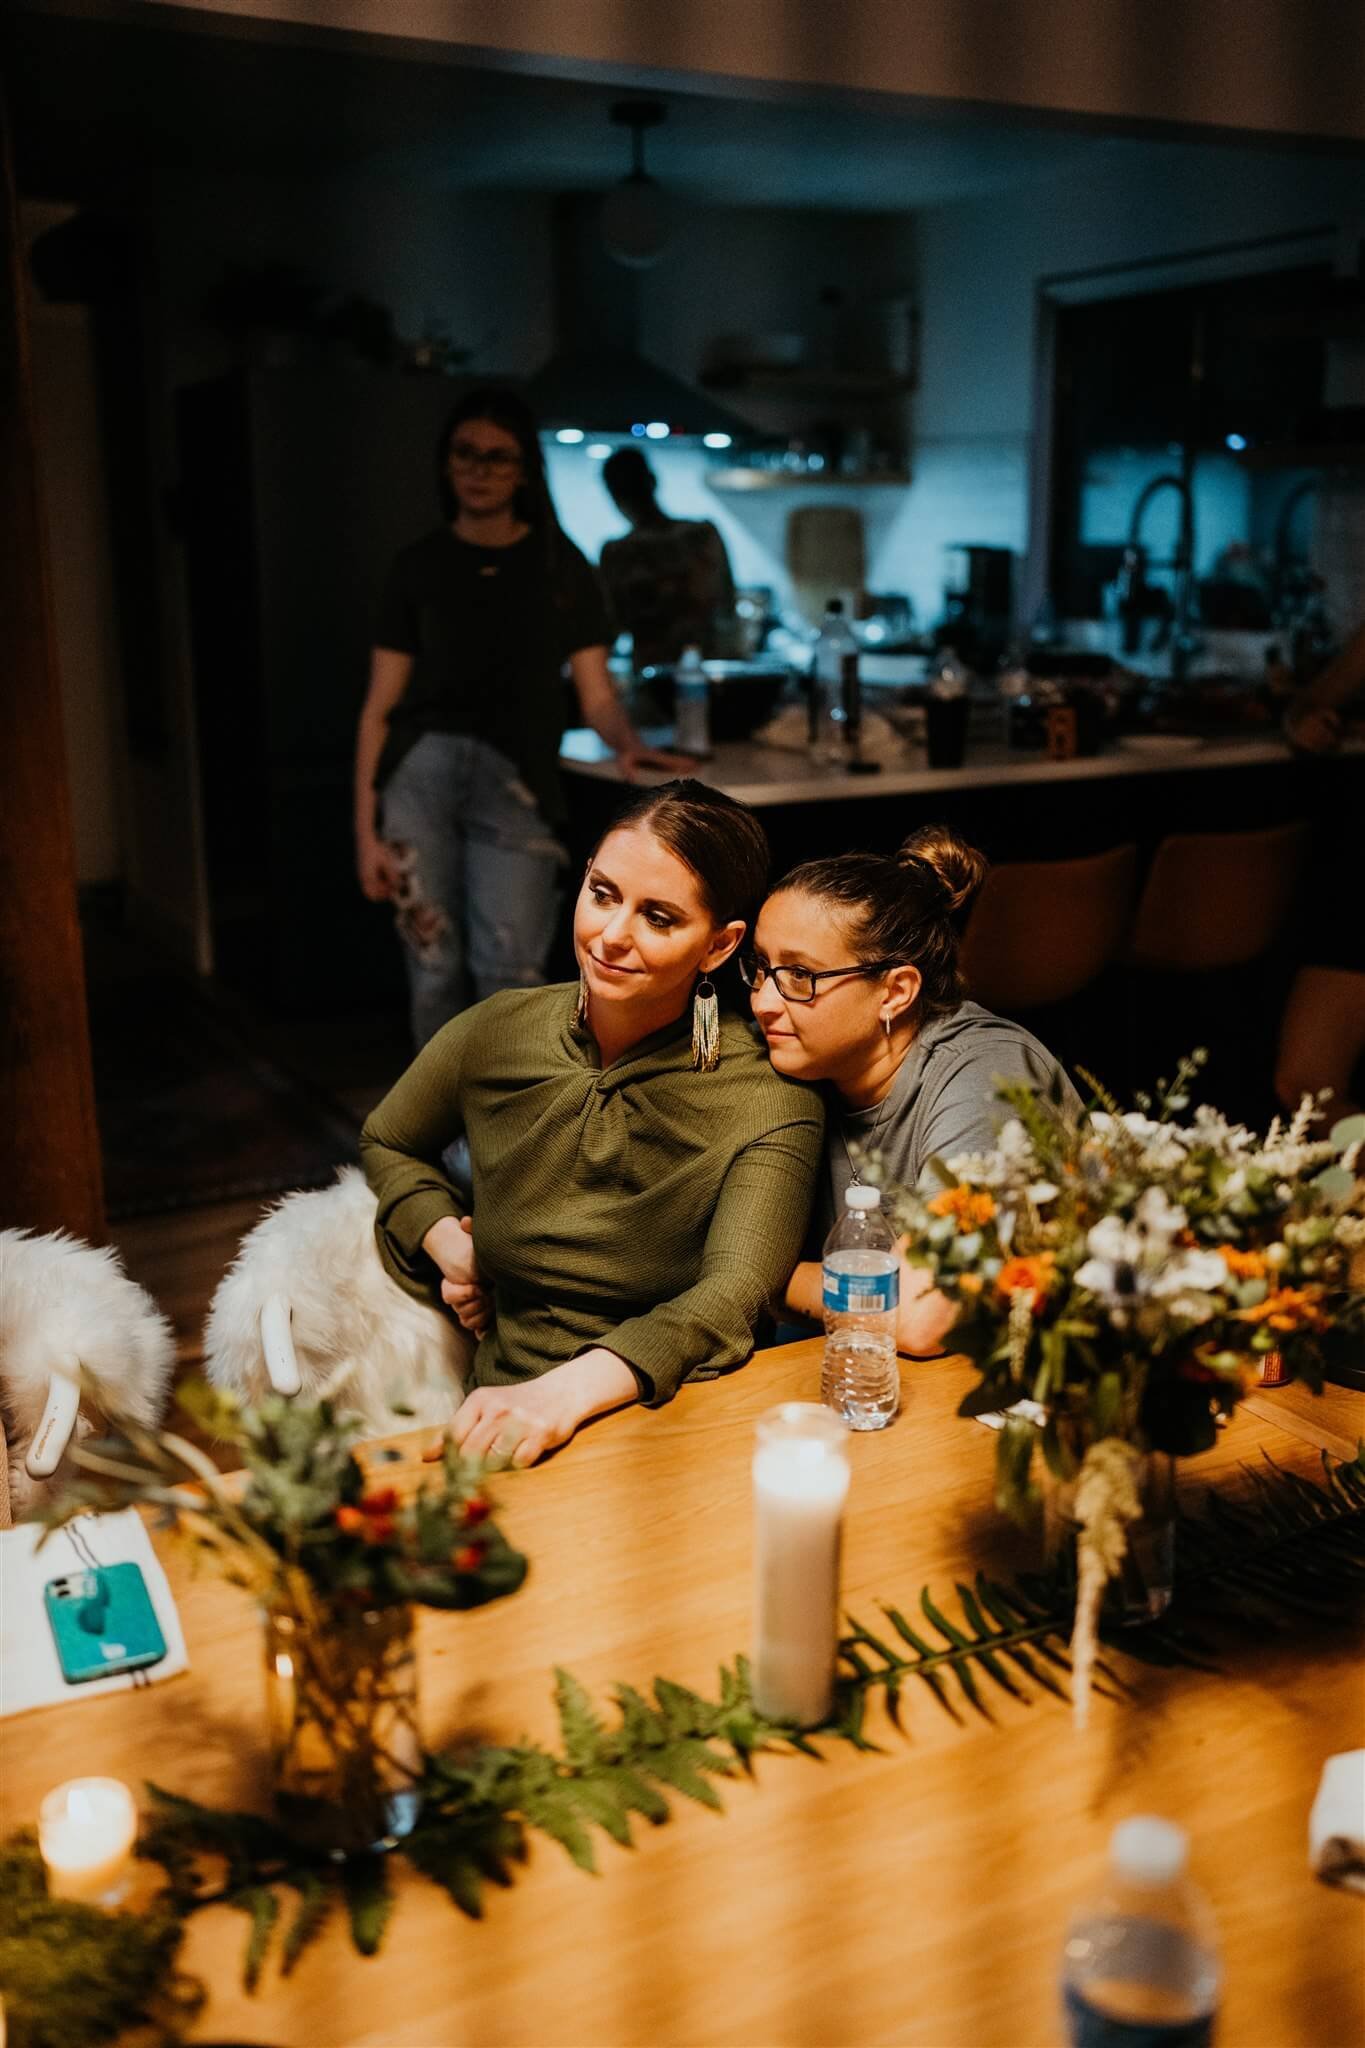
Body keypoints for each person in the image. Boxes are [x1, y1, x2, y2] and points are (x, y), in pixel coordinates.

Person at [359, 782, 824, 1469]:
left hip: (678, 1424)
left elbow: (732, 1298)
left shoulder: (768, 1094)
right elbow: (386, 1141)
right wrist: (451, 1245)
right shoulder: (496, 1033)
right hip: (496, 1419)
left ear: (720, 946)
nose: (611, 935)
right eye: (602, 894)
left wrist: (559, 1397)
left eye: (658, 918)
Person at [356, 388, 688, 1047]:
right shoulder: (416, 567)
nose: (479, 469)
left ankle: (505, 1146)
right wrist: (364, 833)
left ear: (523, 470)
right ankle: (443, 1144)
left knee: (512, 974)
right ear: (446, 464)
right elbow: (378, 711)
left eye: (497, 457)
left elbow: (595, 695)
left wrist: (626, 744)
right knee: (432, 967)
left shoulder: (560, 567)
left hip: (519, 783)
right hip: (418, 777)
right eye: (465, 454)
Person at [742, 824, 1079, 1355]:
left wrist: (753, 1278)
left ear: (896, 992)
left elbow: (923, 1317)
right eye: (761, 968)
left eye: (801, 975)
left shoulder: (987, 1076)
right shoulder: (798, 1063)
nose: (764, 1001)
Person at [598, 447, 736, 667]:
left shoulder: (617, 553)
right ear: (653, 481)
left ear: (613, 496)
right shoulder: (702, 534)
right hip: (705, 670)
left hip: (656, 674)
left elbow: (611, 625)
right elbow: (727, 607)